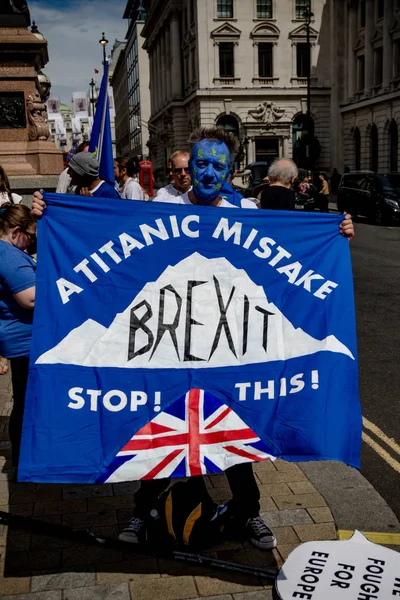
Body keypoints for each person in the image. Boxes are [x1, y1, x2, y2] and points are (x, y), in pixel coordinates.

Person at [31, 128, 355, 548]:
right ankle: (143, 513)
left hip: (227, 348)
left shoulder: (248, 212)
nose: (206, 172)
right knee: (156, 434)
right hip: (169, 349)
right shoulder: (161, 207)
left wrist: (339, 232)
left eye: (217, 166)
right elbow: (113, 245)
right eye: (200, 163)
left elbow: (288, 258)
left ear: (229, 171)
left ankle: (248, 514)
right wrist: (48, 213)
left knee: (238, 436)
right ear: (190, 165)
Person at [0, 203, 37, 471]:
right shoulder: (10, 256)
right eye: (30, 236)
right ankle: (25, 460)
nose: (30, 243)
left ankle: (24, 458)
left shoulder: (7, 251)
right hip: (25, 341)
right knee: (26, 400)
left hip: (22, 338)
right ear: (16, 231)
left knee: (24, 398)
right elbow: (30, 298)